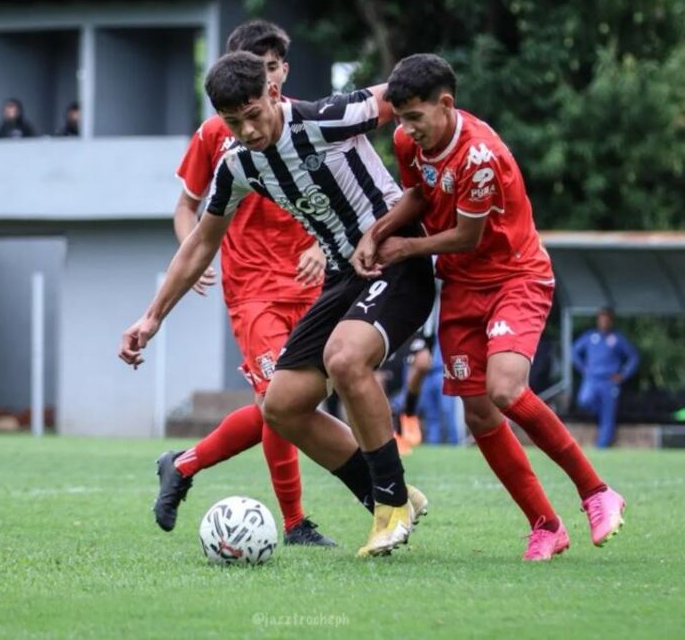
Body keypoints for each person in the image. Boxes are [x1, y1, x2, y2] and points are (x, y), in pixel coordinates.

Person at [120, 50, 433, 558]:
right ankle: (386, 495)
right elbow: (202, 241)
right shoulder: (236, 165)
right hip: (340, 276)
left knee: (346, 358)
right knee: (281, 406)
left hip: (395, 258)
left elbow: (399, 95)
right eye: (232, 122)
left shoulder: (326, 118)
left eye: (253, 114)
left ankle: (391, 504)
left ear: (273, 92)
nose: (246, 130)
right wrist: (152, 316)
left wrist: (458, 151)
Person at [353, 53, 626, 560]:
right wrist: (376, 231)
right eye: (403, 119)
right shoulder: (407, 139)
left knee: (504, 389)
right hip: (460, 285)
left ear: (447, 104)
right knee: (478, 411)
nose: (409, 131)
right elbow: (418, 194)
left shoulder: (479, 157)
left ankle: (596, 491)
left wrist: (403, 247)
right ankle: (545, 524)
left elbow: (465, 235)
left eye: (417, 118)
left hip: (513, 276)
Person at [159, 20, 333, 547]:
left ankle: (183, 464)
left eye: (275, 65)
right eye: (259, 65)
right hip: (252, 288)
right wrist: (195, 253)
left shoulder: (307, 122)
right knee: (279, 400)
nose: (270, 74)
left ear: (282, 71)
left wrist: (323, 247)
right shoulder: (218, 131)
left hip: (313, 288)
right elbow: (186, 208)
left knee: (288, 406)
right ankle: (296, 522)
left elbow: (339, 196)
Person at [572, 307, 639, 448]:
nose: (604, 322)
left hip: (609, 381)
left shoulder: (617, 339)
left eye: (607, 319)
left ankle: (602, 445)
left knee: (608, 414)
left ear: (611, 321)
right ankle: (599, 416)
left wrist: (623, 374)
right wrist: (583, 368)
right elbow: (574, 352)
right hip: (592, 379)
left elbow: (633, 357)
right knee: (584, 400)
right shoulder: (590, 337)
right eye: (601, 319)